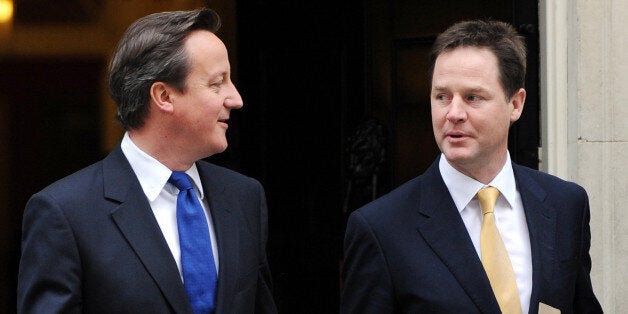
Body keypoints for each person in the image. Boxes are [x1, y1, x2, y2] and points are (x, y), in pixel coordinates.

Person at [17, 8, 277, 314]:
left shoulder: (244, 198)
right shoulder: (65, 213)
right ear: (164, 96)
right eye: (217, 83)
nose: (235, 99)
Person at [341, 20, 602, 313]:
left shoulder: (565, 205)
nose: (453, 113)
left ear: (515, 104)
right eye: (442, 96)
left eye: (472, 97)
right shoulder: (381, 228)